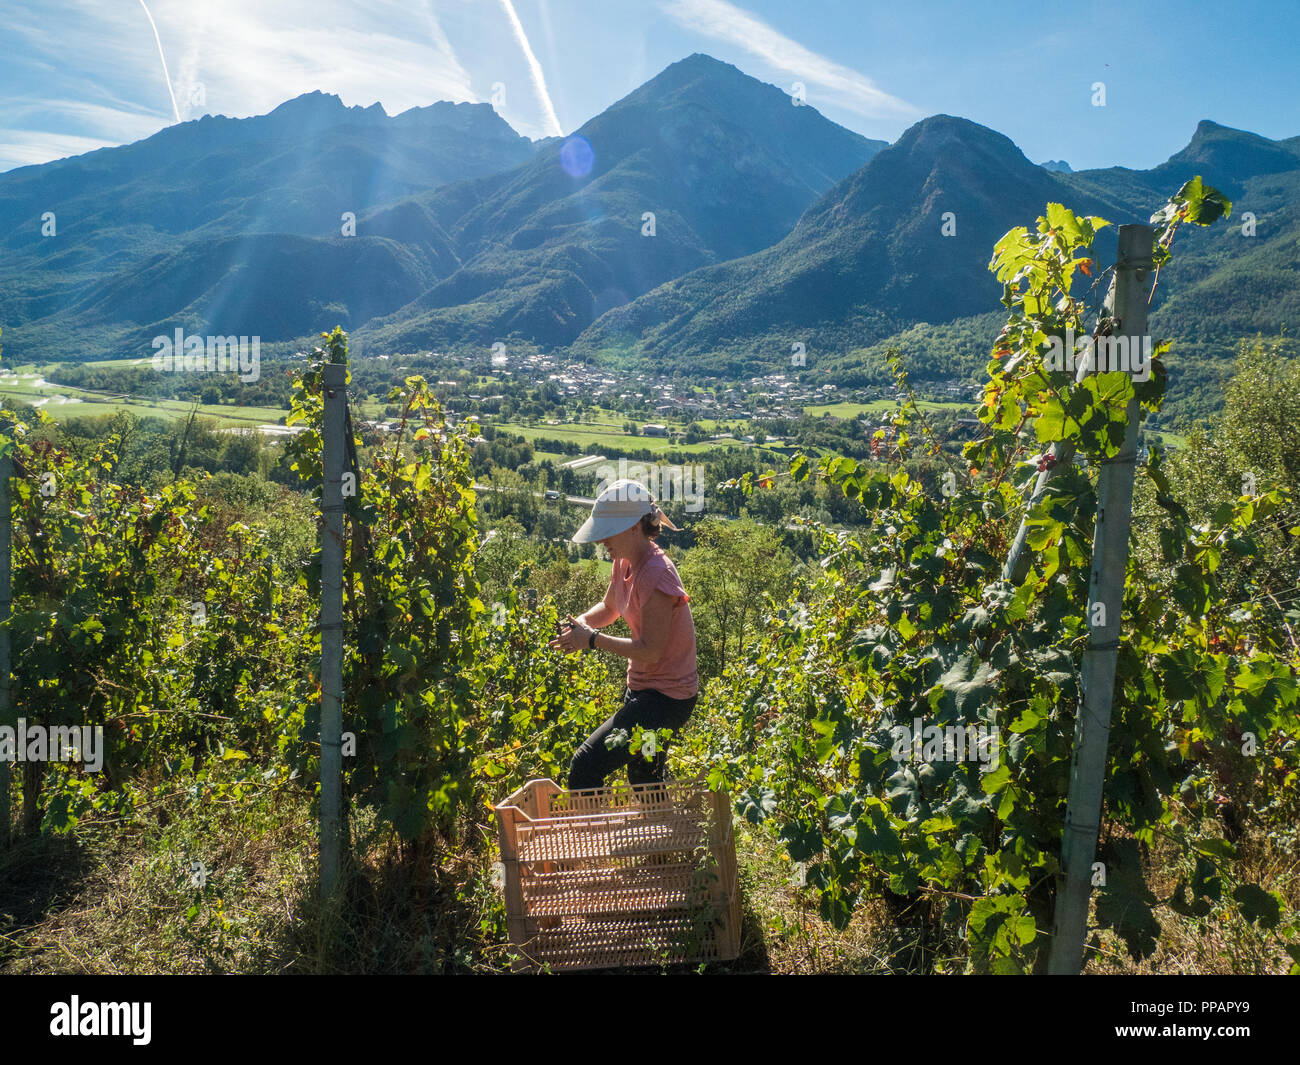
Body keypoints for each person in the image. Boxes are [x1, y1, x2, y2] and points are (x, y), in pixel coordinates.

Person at [548, 479, 698, 791]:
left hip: (666, 702)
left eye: (608, 530)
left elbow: (651, 651)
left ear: (633, 526)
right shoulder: (623, 562)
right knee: (644, 777)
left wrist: (590, 639)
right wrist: (580, 624)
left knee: (585, 765)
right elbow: (609, 607)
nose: (601, 539)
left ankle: (585, 840)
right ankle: (662, 836)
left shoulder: (657, 574)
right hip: (644, 692)